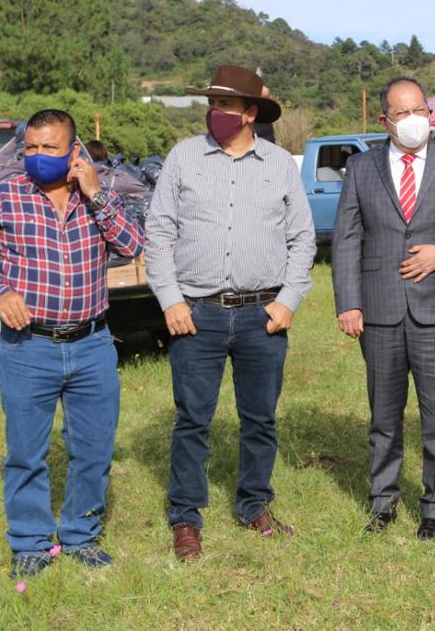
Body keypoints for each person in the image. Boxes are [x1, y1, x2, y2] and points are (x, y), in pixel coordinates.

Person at [0, 109, 144, 578]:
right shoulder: (5, 196)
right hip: (28, 348)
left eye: (50, 148)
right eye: (31, 149)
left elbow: (133, 244)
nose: (38, 157)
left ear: (74, 151)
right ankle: (31, 542)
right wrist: (0, 292)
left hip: (91, 345)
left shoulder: (99, 196)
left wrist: (97, 194)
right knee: (25, 452)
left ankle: (80, 535)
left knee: (94, 448)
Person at [145, 65, 316, 560]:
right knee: (192, 420)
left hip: (263, 314)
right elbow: (157, 233)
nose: (214, 112)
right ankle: (185, 518)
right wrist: (171, 300)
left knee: (260, 418)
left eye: (224, 105)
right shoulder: (184, 157)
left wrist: (289, 300)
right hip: (196, 314)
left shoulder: (280, 164)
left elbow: (303, 238)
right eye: (211, 104)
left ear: (248, 114)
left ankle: (254, 504)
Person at [331, 77, 435, 540]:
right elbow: (345, 241)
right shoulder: (361, 168)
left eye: (418, 110)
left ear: (431, 113)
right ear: (383, 120)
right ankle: (383, 502)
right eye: (400, 113)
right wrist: (349, 303)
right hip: (379, 311)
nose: (411, 120)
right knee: (384, 416)